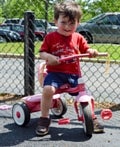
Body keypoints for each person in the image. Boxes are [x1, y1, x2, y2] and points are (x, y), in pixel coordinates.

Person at [36, 0, 104, 136]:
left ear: (78, 23)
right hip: (55, 74)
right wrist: (49, 57)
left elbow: (87, 49)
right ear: (55, 21)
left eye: (72, 23)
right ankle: (44, 118)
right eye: (63, 22)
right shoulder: (51, 37)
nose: (67, 26)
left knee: (84, 95)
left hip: (74, 75)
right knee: (48, 90)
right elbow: (42, 53)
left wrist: (92, 52)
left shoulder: (78, 37)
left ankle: (91, 118)